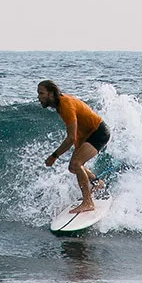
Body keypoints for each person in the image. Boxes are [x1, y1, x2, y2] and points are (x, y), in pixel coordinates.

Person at [37, 80, 111, 214]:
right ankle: (97, 183)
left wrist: (54, 156)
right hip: (88, 134)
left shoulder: (65, 104)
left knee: (77, 164)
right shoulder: (60, 105)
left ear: (51, 93)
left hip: (98, 132)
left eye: (41, 93)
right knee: (73, 167)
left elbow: (71, 138)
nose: (38, 97)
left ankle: (88, 202)